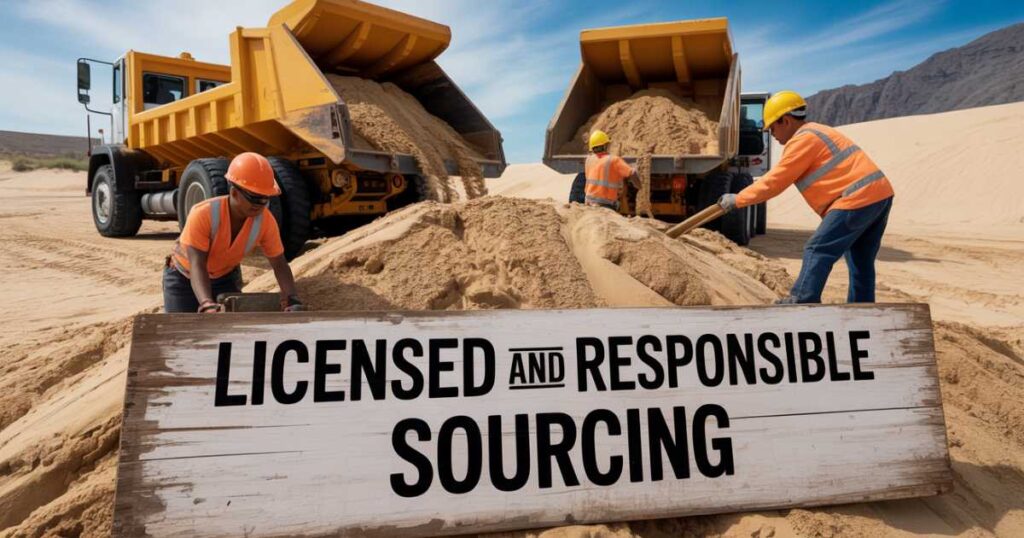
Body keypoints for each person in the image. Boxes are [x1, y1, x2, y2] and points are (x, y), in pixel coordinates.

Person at [717, 91, 895, 304]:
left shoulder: (803, 140)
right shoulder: (819, 131)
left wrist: (737, 199)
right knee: (861, 261)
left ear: (786, 120)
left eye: (773, 128)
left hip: (855, 197)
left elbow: (774, 182)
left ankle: (801, 300)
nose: (772, 134)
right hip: (879, 195)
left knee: (818, 248)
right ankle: (863, 310)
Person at [163, 152, 303, 313]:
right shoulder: (203, 214)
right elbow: (197, 264)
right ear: (235, 193)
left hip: (225, 277)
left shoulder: (265, 221)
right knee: (180, 331)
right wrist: (207, 303)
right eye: (254, 198)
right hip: (184, 278)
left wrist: (291, 298)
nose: (260, 205)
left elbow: (279, 264)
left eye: (265, 199)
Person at [584, 130, 640, 210]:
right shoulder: (614, 160)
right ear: (605, 146)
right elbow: (632, 173)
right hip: (605, 203)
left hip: (588, 201)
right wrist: (640, 187)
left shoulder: (588, 160)